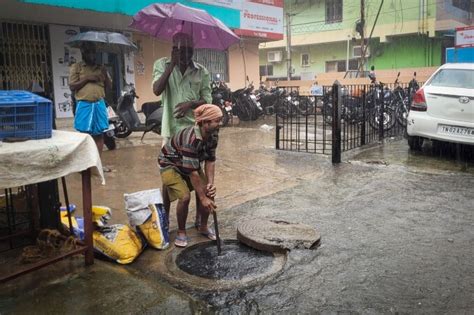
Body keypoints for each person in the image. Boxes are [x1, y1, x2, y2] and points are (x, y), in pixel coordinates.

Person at [152, 32, 213, 229]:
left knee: (196, 172)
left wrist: (191, 104)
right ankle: (165, 218)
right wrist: (171, 65)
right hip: (170, 130)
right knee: (169, 175)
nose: (185, 54)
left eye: (188, 50)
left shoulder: (201, 71)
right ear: (173, 48)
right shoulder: (161, 65)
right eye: (180, 50)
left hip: (194, 131)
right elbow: (156, 90)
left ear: (193, 50)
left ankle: (198, 219)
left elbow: (208, 100)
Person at [158, 104, 222, 248]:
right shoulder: (191, 140)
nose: (220, 123)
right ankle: (181, 231)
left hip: (190, 162)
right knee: (185, 197)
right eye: (217, 120)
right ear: (205, 122)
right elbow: (193, 173)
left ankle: (203, 226)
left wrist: (210, 185)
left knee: (209, 192)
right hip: (170, 164)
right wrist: (202, 198)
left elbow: (210, 160)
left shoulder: (214, 134)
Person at [69, 42, 112, 171]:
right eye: (88, 52)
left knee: (99, 135)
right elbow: (72, 86)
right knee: (84, 135)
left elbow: (109, 87)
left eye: (93, 52)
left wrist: (105, 75)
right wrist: (88, 78)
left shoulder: (101, 68)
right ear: (83, 53)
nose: (92, 54)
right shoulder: (76, 67)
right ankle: (83, 164)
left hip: (99, 104)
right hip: (84, 104)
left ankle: (97, 164)